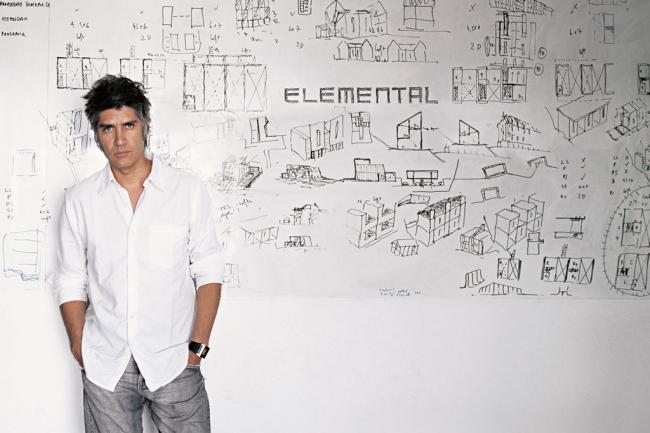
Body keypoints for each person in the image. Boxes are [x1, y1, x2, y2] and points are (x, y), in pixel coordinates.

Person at [51, 74, 224, 432]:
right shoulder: (80, 200)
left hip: (174, 360)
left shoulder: (186, 190)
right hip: (106, 366)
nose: (119, 139)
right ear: (97, 135)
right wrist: (80, 346)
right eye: (107, 128)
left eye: (128, 125)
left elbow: (208, 268)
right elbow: (70, 279)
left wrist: (198, 348)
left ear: (145, 125)